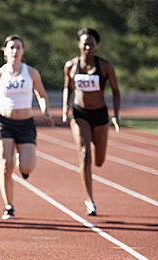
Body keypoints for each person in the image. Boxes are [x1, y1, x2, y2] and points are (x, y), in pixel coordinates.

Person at [0, 34, 54, 220]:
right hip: (4, 123)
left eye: (18, 47)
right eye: (11, 47)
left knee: (28, 167)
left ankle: (22, 163)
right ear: (5, 51)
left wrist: (45, 112)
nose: (15, 51)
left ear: (23, 51)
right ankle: (9, 206)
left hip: (26, 124)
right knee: (5, 166)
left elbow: (42, 95)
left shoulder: (31, 73)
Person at [63, 28, 120, 216]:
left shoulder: (105, 66)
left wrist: (116, 115)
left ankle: (97, 147)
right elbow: (67, 88)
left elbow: (115, 91)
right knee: (85, 153)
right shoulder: (71, 66)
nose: (88, 47)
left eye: (91, 44)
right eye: (85, 43)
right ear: (79, 44)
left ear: (96, 47)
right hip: (80, 114)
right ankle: (90, 201)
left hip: (100, 115)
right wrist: (65, 108)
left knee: (99, 161)